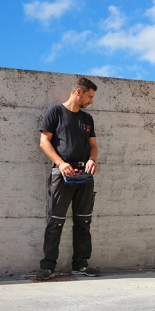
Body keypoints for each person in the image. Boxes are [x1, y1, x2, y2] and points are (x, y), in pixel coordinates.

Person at [36, 77, 101, 280]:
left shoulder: (87, 119)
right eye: (90, 96)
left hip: (84, 176)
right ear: (78, 92)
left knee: (83, 221)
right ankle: (47, 267)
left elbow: (93, 146)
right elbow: (44, 141)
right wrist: (61, 163)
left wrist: (92, 159)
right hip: (62, 174)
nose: (91, 101)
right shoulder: (55, 112)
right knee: (55, 221)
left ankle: (81, 264)